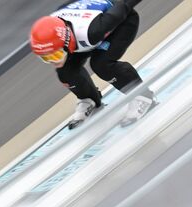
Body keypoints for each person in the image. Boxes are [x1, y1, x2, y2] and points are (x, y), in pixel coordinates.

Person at [30, 0, 156, 128]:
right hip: (84, 34)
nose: (53, 62)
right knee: (65, 71)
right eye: (46, 58)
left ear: (67, 41)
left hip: (120, 23)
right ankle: (90, 100)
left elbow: (123, 4)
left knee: (101, 64)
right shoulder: (56, 25)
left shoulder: (92, 30)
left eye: (56, 55)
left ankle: (143, 96)